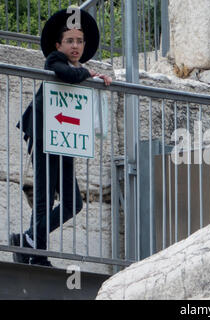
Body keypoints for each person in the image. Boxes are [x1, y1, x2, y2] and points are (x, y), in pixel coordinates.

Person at [10, 8, 112, 267]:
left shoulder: (80, 70)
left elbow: (78, 77)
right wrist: (89, 74)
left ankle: (28, 239)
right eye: (70, 40)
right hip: (44, 136)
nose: (75, 45)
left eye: (79, 41)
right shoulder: (55, 61)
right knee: (43, 198)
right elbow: (67, 74)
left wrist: (94, 76)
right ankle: (38, 254)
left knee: (73, 203)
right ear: (58, 45)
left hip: (64, 140)